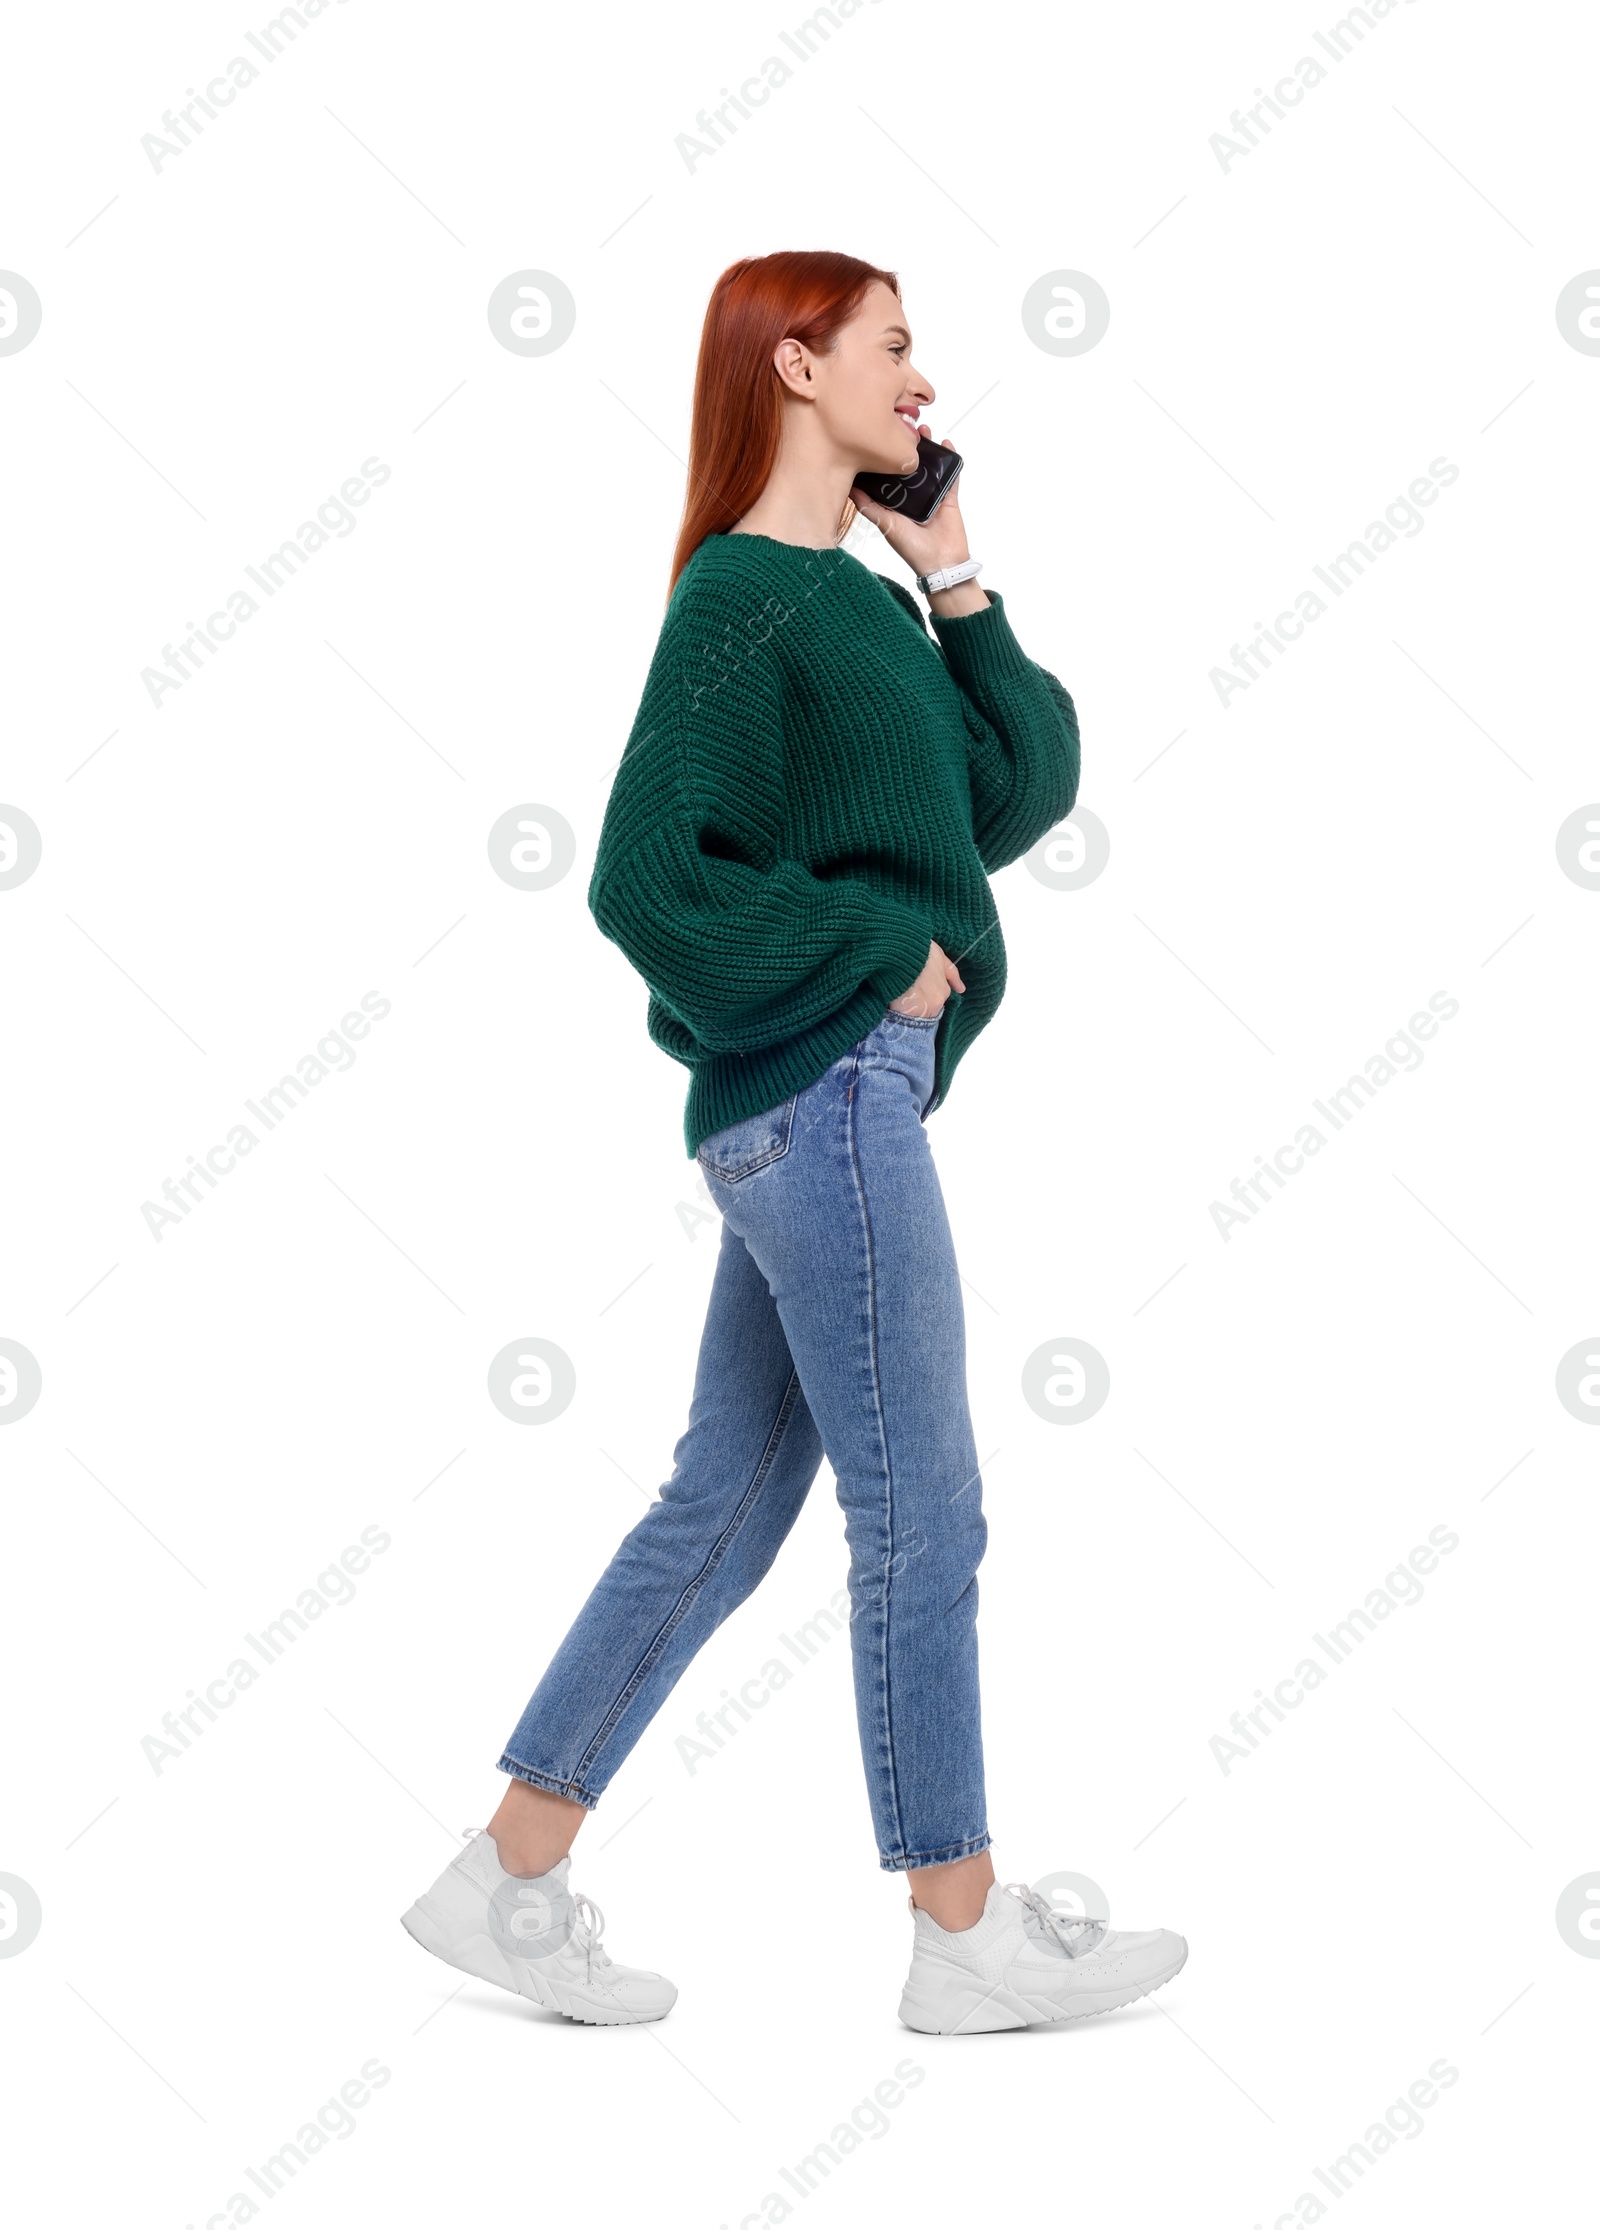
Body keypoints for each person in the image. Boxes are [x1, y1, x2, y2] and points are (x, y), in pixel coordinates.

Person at [401, 249, 1187, 2033]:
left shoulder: (863, 603)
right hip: (824, 1089)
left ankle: (504, 1872)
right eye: (895, 346)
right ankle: (962, 1925)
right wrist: (873, 960)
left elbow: (1021, 789)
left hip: (828, 1098)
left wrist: (957, 568)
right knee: (928, 1502)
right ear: (796, 364)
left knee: (733, 1501)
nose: (923, 376)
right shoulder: (742, 602)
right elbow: (645, 873)